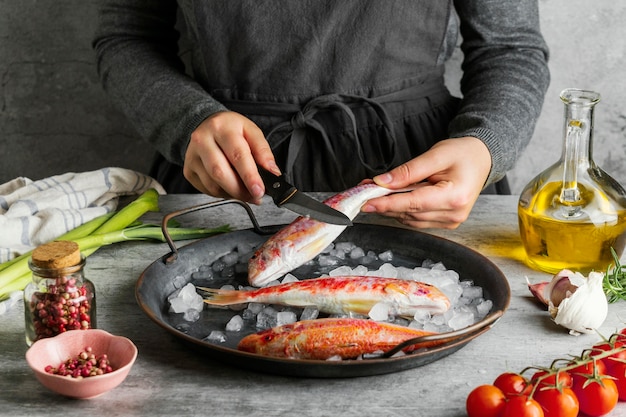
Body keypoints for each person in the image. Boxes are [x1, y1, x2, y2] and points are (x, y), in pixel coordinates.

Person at [92, 1, 549, 229]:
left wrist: (486, 144)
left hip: (419, 182)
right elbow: (127, 37)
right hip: (228, 173)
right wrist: (185, 118)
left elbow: (510, 47)